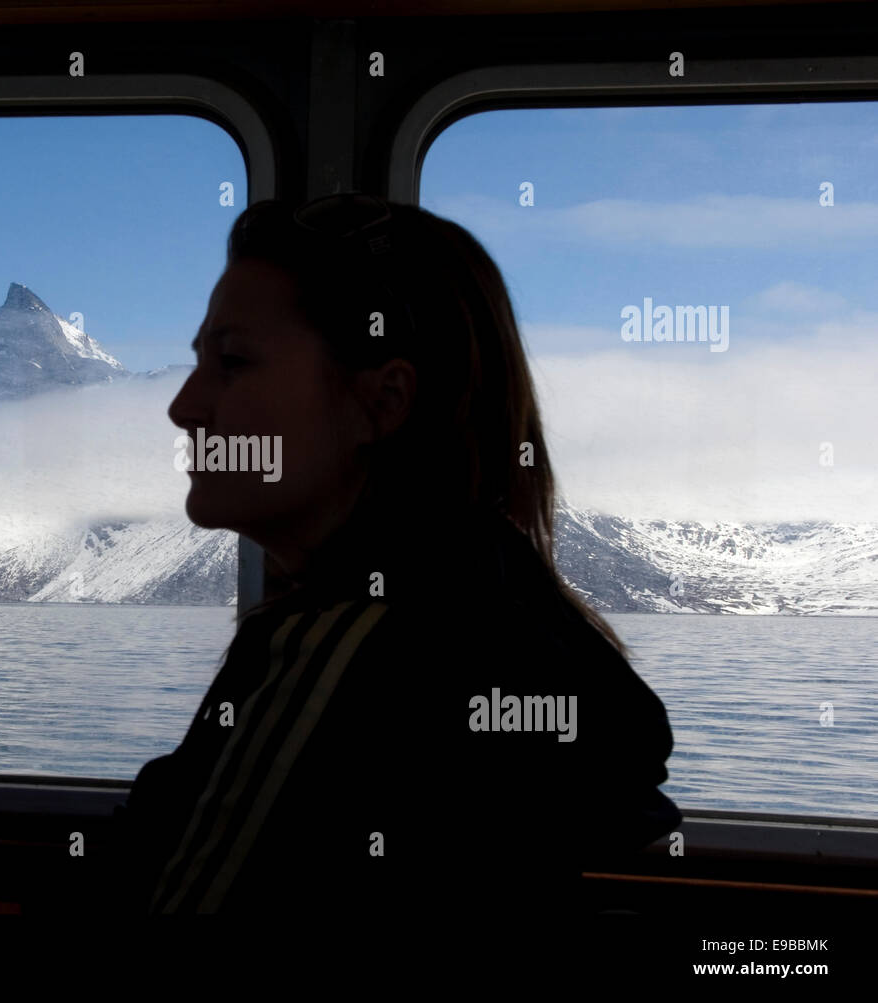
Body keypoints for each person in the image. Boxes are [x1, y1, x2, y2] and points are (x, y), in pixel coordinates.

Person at [107, 193, 681, 921]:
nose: (184, 406)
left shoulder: (347, 652)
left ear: (385, 400)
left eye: (231, 362)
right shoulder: (508, 605)